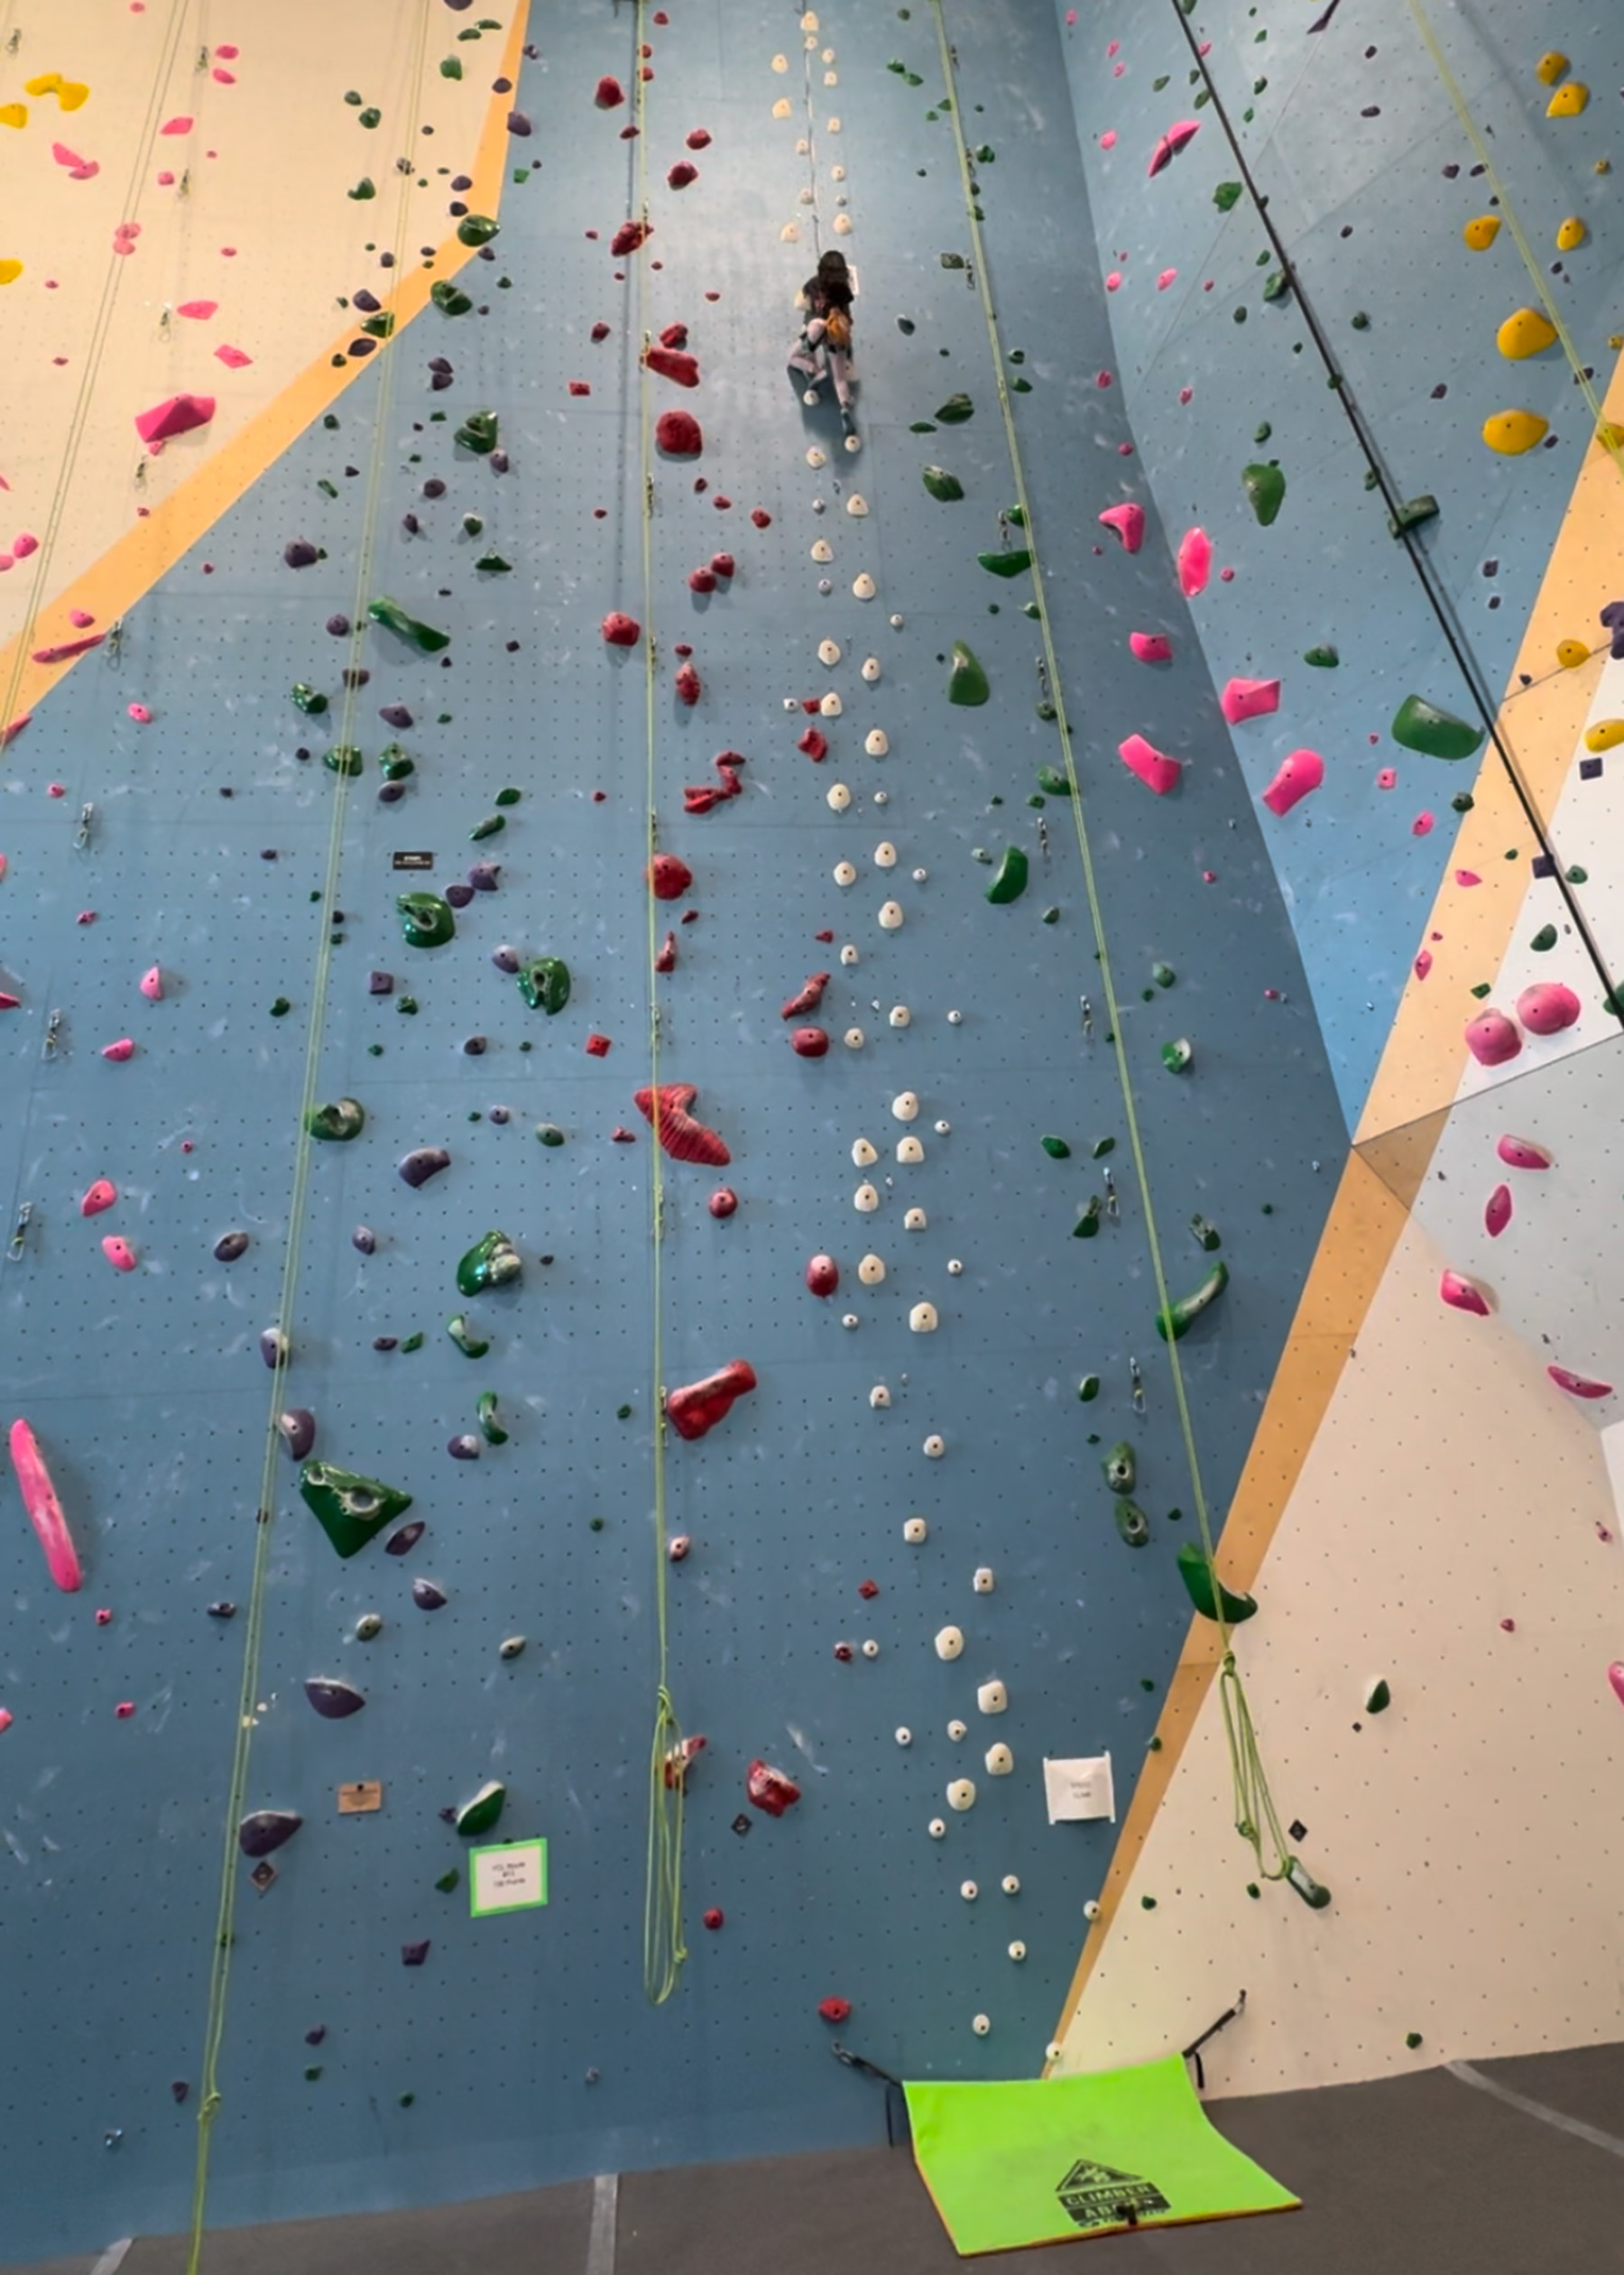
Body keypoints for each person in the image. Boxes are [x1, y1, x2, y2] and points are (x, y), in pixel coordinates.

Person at [788, 249, 856, 432]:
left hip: (815, 331)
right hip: (836, 335)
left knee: (792, 358)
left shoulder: (813, 284)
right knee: (840, 379)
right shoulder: (844, 291)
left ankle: (815, 369)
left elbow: (804, 305)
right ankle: (844, 405)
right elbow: (848, 315)